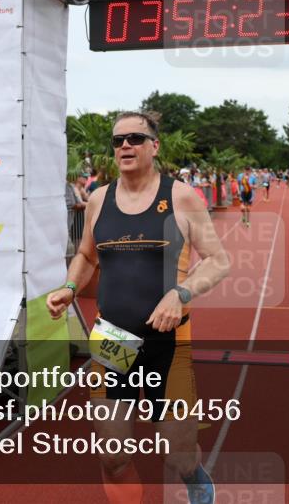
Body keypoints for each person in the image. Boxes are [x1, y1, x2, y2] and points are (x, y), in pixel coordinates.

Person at [47, 111, 230, 504]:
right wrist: (69, 287)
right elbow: (87, 255)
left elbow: (218, 261)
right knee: (113, 456)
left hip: (168, 343)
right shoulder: (99, 199)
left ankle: (194, 475)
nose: (125, 146)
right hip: (113, 340)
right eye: (118, 141)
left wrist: (180, 294)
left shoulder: (181, 196)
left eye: (135, 138)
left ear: (154, 146)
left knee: (177, 453)